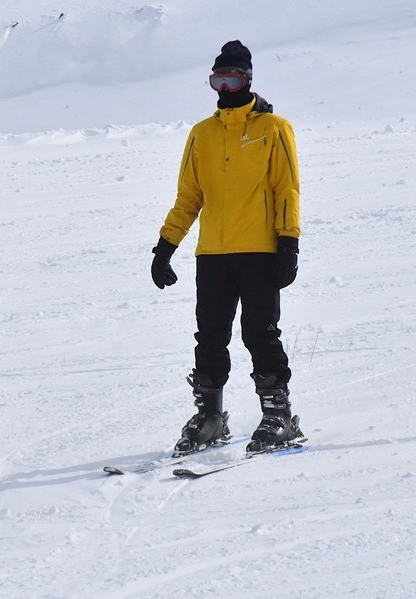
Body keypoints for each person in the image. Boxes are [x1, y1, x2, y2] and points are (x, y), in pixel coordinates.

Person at [150, 39, 305, 455]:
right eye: (217, 80)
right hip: (214, 254)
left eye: (231, 78)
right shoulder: (202, 134)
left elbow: (285, 188)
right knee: (210, 337)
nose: (224, 87)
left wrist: (288, 242)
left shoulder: (274, 129)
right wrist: (165, 246)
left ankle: (279, 416)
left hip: (260, 251)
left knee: (260, 333)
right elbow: (189, 196)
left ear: (247, 79)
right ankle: (210, 418)